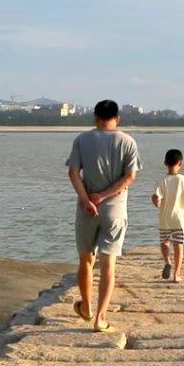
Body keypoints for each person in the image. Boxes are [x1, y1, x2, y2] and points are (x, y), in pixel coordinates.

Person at [65, 100, 141, 332]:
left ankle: (86, 307)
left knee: (86, 260)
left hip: (86, 208)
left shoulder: (82, 139)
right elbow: (130, 177)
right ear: (117, 118)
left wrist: (88, 199)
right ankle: (100, 318)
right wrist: (103, 196)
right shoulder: (127, 141)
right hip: (115, 209)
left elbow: (73, 173)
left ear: (95, 117)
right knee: (108, 264)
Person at [151, 149, 184, 282]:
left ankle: (167, 261)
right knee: (178, 246)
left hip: (165, 218)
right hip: (179, 219)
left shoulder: (162, 180)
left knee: (164, 242)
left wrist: (157, 203)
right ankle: (176, 275)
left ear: (165, 163)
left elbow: (155, 197)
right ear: (180, 163)